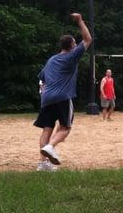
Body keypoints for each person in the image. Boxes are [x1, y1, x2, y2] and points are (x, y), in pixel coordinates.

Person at [34, 13, 92, 171]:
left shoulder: (51, 60)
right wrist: (80, 20)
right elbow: (88, 40)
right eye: (75, 42)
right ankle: (51, 147)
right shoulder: (71, 56)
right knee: (65, 128)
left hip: (46, 98)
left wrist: (44, 96)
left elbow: (42, 81)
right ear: (73, 45)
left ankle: (43, 164)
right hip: (63, 97)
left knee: (47, 129)